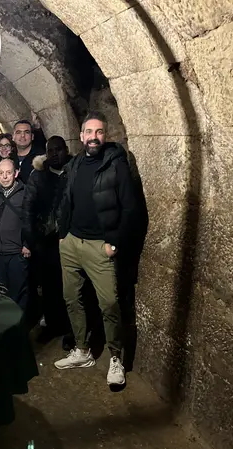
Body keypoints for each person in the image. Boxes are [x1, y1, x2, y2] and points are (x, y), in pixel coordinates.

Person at [55, 111, 138, 388]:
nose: (94, 137)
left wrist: (114, 243)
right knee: (71, 298)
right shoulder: (76, 163)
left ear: (106, 135)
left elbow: (130, 209)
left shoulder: (116, 165)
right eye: (89, 132)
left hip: (99, 246)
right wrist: (63, 234)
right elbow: (66, 200)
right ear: (81, 136)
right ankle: (82, 350)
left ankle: (116, 358)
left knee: (109, 304)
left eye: (99, 132)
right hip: (71, 243)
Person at [23, 136, 73, 342]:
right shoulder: (38, 176)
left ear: (66, 150)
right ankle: (54, 326)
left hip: (71, 238)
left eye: (58, 149)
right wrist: (32, 240)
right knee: (50, 287)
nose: (54, 154)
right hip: (46, 240)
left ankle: (72, 329)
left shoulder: (74, 171)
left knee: (72, 287)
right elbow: (28, 208)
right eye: (50, 150)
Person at [0, 158, 30, 311]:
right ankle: (3, 321)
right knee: (0, 291)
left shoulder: (26, 194)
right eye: (1, 173)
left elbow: (32, 221)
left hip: (17, 252)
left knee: (18, 292)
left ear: (16, 173)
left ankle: (20, 322)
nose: (5, 176)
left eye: (8, 172)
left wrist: (27, 244)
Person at [13, 118, 46, 184]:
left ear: (32, 136)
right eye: (18, 132)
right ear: (13, 137)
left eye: (26, 132)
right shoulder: (9, 158)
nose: (22, 135)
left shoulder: (42, 158)